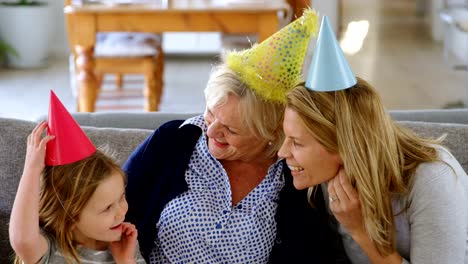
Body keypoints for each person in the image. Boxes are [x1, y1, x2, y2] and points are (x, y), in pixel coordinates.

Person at [123, 9, 349, 264]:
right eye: (210, 113)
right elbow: (109, 212)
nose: (210, 131)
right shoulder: (172, 142)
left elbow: (318, 254)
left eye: (231, 130)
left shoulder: (294, 176)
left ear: (271, 133)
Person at [279, 16, 468, 264]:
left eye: (296, 142)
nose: (282, 152)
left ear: (344, 144)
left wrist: (361, 232)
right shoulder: (329, 177)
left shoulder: (432, 180)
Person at [9, 91, 145, 264]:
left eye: (121, 197)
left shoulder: (127, 244)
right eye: (107, 208)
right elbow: (22, 239)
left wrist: (126, 260)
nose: (121, 212)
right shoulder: (50, 249)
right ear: (69, 218)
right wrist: (32, 169)